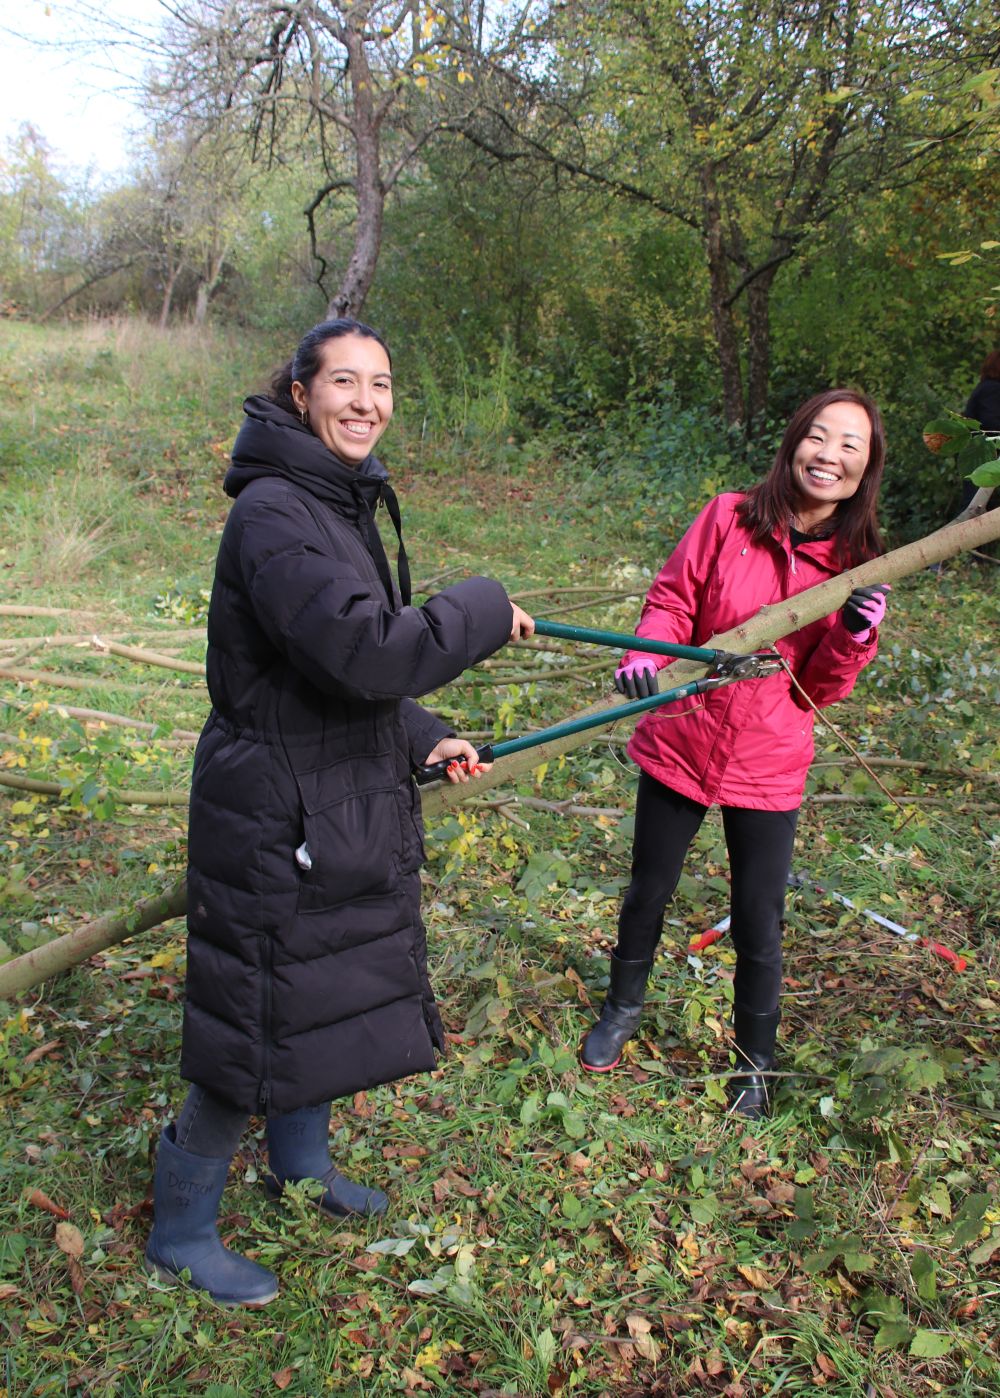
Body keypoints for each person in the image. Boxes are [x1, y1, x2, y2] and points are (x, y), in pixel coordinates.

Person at [145, 318, 534, 1306]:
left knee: (314, 999)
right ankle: (182, 1228)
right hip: (274, 808)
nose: (367, 401)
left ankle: (300, 1170)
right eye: (344, 382)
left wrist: (420, 736)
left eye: (382, 384)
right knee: (258, 1016)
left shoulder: (333, 501)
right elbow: (370, 651)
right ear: (299, 394)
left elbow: (335, 670)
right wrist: (482, 607)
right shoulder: (275, 513)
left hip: (336, 791)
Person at [580, 390, 890, 1120]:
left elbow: (819, 691)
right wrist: (646, 658)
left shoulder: (859, 565)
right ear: (793, 445)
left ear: (866, 468)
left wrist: (852, 633)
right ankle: (623, 1007)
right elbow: (671, 601)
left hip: (769, 756)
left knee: (759, 915)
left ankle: (755, 1062)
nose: (829, 455)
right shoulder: (728, 517)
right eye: (818, 437)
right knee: (647, 888)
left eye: (850, 446)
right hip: (684, 732)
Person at [960, 349, 1000, 512]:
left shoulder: (986, 388)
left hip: (977, 452)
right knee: (975, 508)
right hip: (981, 454)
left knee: (977, 506)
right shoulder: (993, 389)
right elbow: (992, 424)